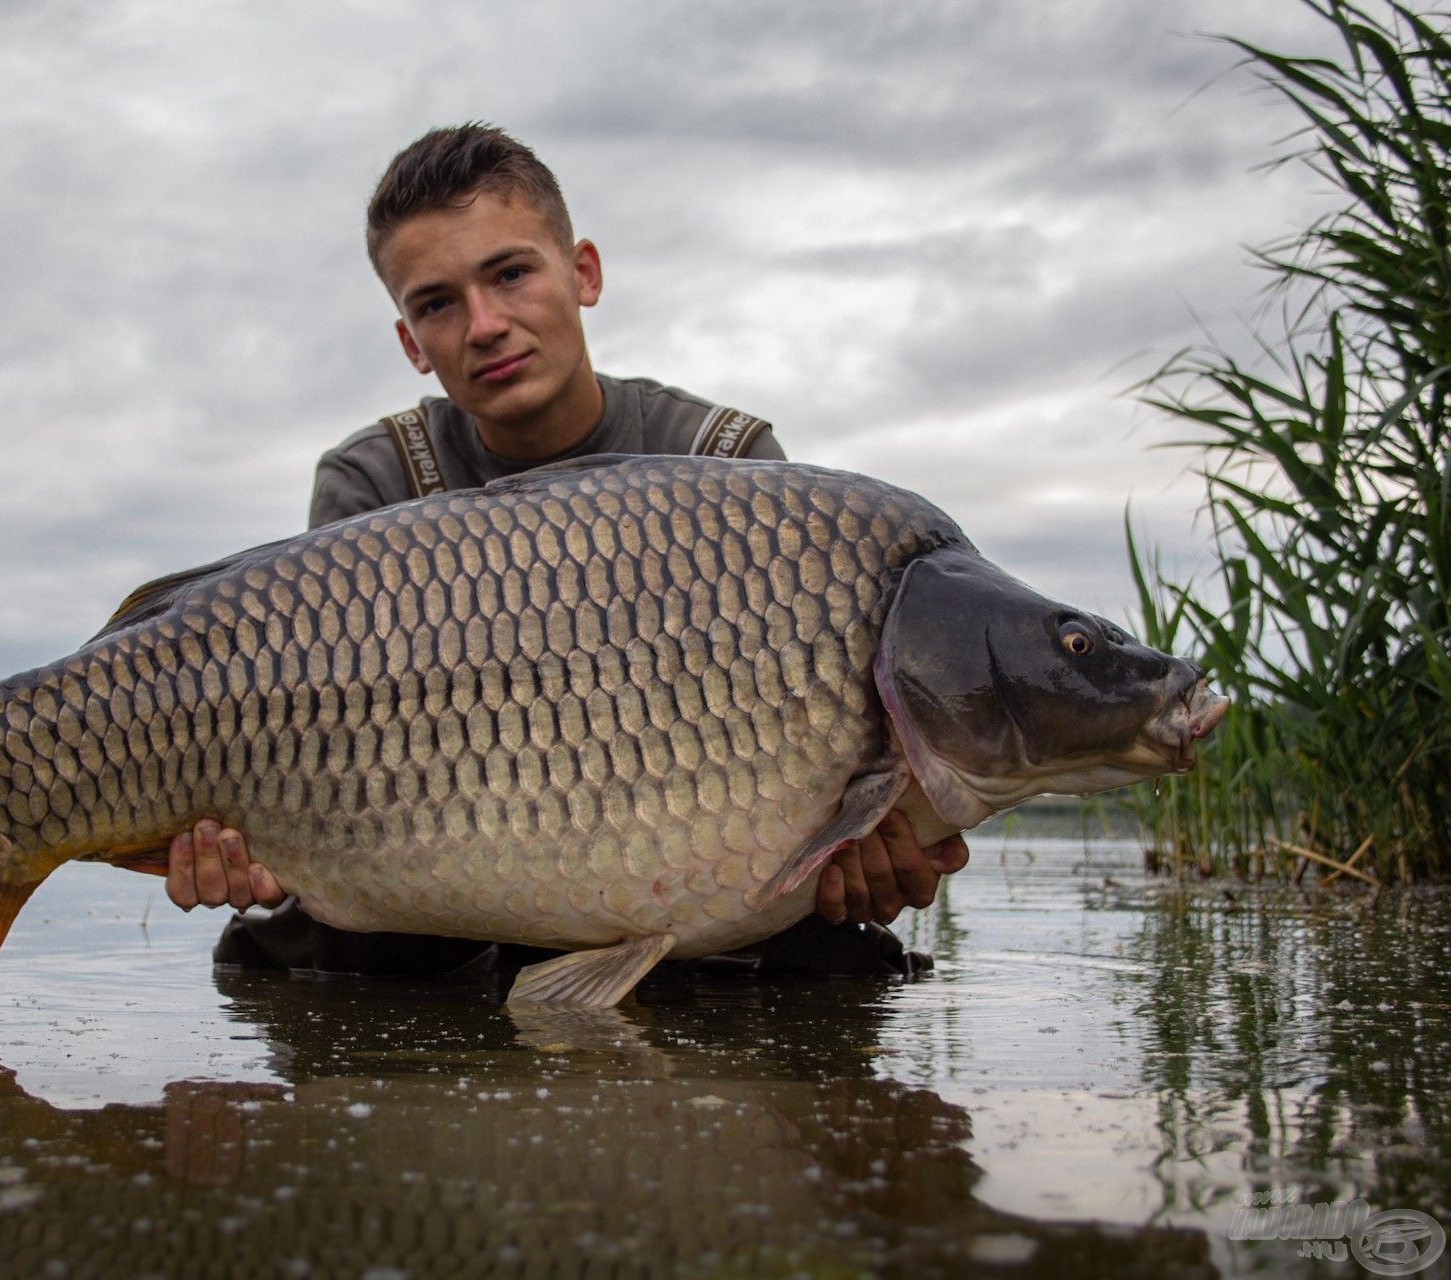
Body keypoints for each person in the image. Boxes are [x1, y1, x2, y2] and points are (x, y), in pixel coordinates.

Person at [146, 123, 969, 978]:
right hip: (443, 893)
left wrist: (864, 851)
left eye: (510, 274)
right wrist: (245, 844)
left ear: (583, 273)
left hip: (689, 878)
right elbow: (300, 739)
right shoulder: (377, 481)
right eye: (436, 303)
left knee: (812, 957)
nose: (485, 325)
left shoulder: (728, 465)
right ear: (408, 343)